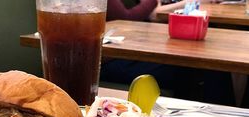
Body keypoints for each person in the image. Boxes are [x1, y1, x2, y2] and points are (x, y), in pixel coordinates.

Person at [101, 0, 235, 106]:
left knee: (205, 63)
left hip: (130, 46)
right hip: (110, 57)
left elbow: (145, 14)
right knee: (191, 66)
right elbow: (125, 17)